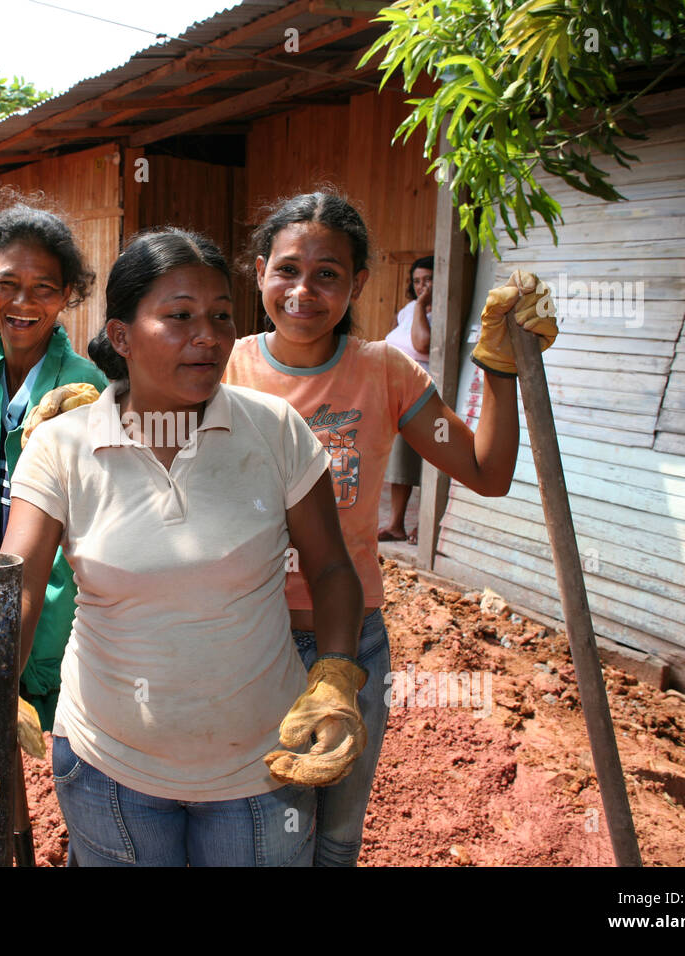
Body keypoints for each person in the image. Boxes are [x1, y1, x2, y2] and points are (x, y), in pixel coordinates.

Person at [0, 228, 367, 866]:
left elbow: (330, 570)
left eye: (220, 315)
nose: (209, 337)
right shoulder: (62, 444)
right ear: (123, 336)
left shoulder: (274, 431)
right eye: (180, 316)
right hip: (108, 766)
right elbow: (18, 585)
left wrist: (335, 676)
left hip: (261, 766)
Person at [223, 190, 558, 867]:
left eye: (328, 274)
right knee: (267, 839)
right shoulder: (225, 370)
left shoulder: (385, 374)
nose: (303, 291)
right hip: (245, 638)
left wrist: (499, 368)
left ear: (359, 284)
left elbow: (485, 472)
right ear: (259, 272)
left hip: (350, 643)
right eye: (287, 269)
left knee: (339, 836)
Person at [0, 194, 107, 729]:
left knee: (65, 744)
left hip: (60, 614)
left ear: (67, 296)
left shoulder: (87, 387)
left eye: (44, 288)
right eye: (6, 284)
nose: (22, 302)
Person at [381, 255, 434, 543]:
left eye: (428, 280)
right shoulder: (408, 310)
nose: (421, 286)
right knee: (400, 463)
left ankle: (424, 527)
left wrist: (424, 307)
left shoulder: (438, 310)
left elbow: (422, 343)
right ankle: (395, 524)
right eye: (416, 281)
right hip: (397, 395)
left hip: (424, 396)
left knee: (429, 462)